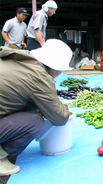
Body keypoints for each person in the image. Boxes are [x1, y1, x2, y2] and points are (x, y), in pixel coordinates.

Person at [0, 39, 73, 176]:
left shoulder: (19, 58)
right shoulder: (40, 77)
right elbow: (60, 118)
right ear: (54, 67)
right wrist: (62, 106)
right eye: (61, 69)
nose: (61, 73)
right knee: (34, 122)